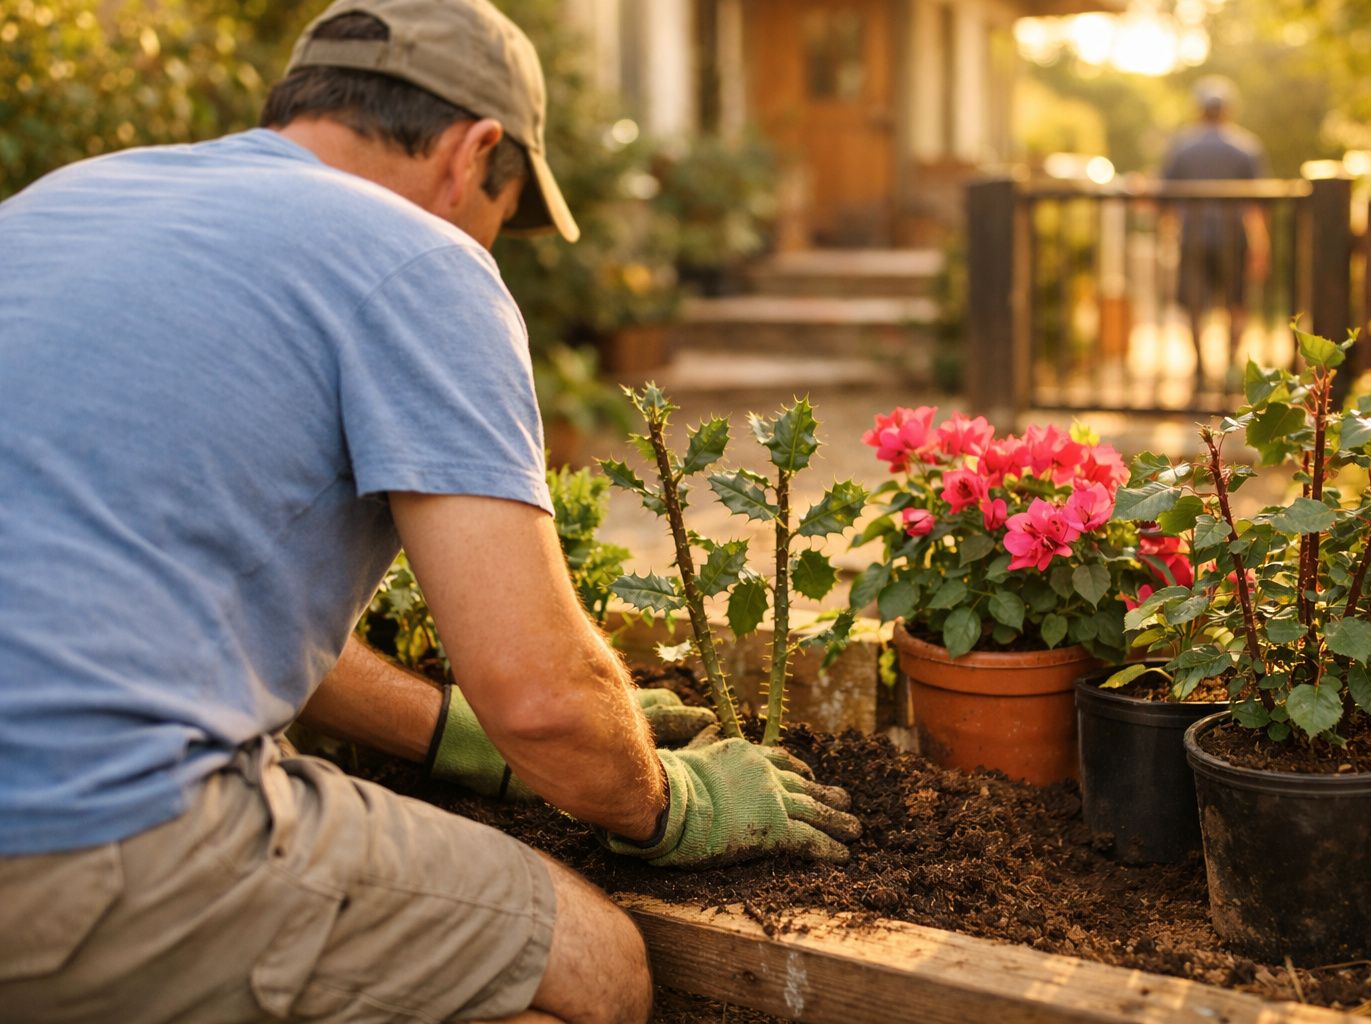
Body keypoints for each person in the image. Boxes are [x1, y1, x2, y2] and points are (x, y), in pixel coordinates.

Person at [0, 1, 859, 1021]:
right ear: (477, 151)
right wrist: (673, 798)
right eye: (506, 212)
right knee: (598, 966)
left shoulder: (64, 205)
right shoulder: (419, 256)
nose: (495, 241)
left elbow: (214, 607)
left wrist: (458, 738)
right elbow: (541, 697)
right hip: (72, 836)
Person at [1161, 75, 1271, 389]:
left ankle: (1198, 369)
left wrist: (1168, 240)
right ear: (1228, 110)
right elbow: (1257, 206)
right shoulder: (1246, 147)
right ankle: (1231, 368)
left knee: (1193, 304)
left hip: (1192, 238)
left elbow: (1165, 200)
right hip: (1233, 238)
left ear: (1198, 109)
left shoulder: (1181, 147)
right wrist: (1261, 249)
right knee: (1236, 304)